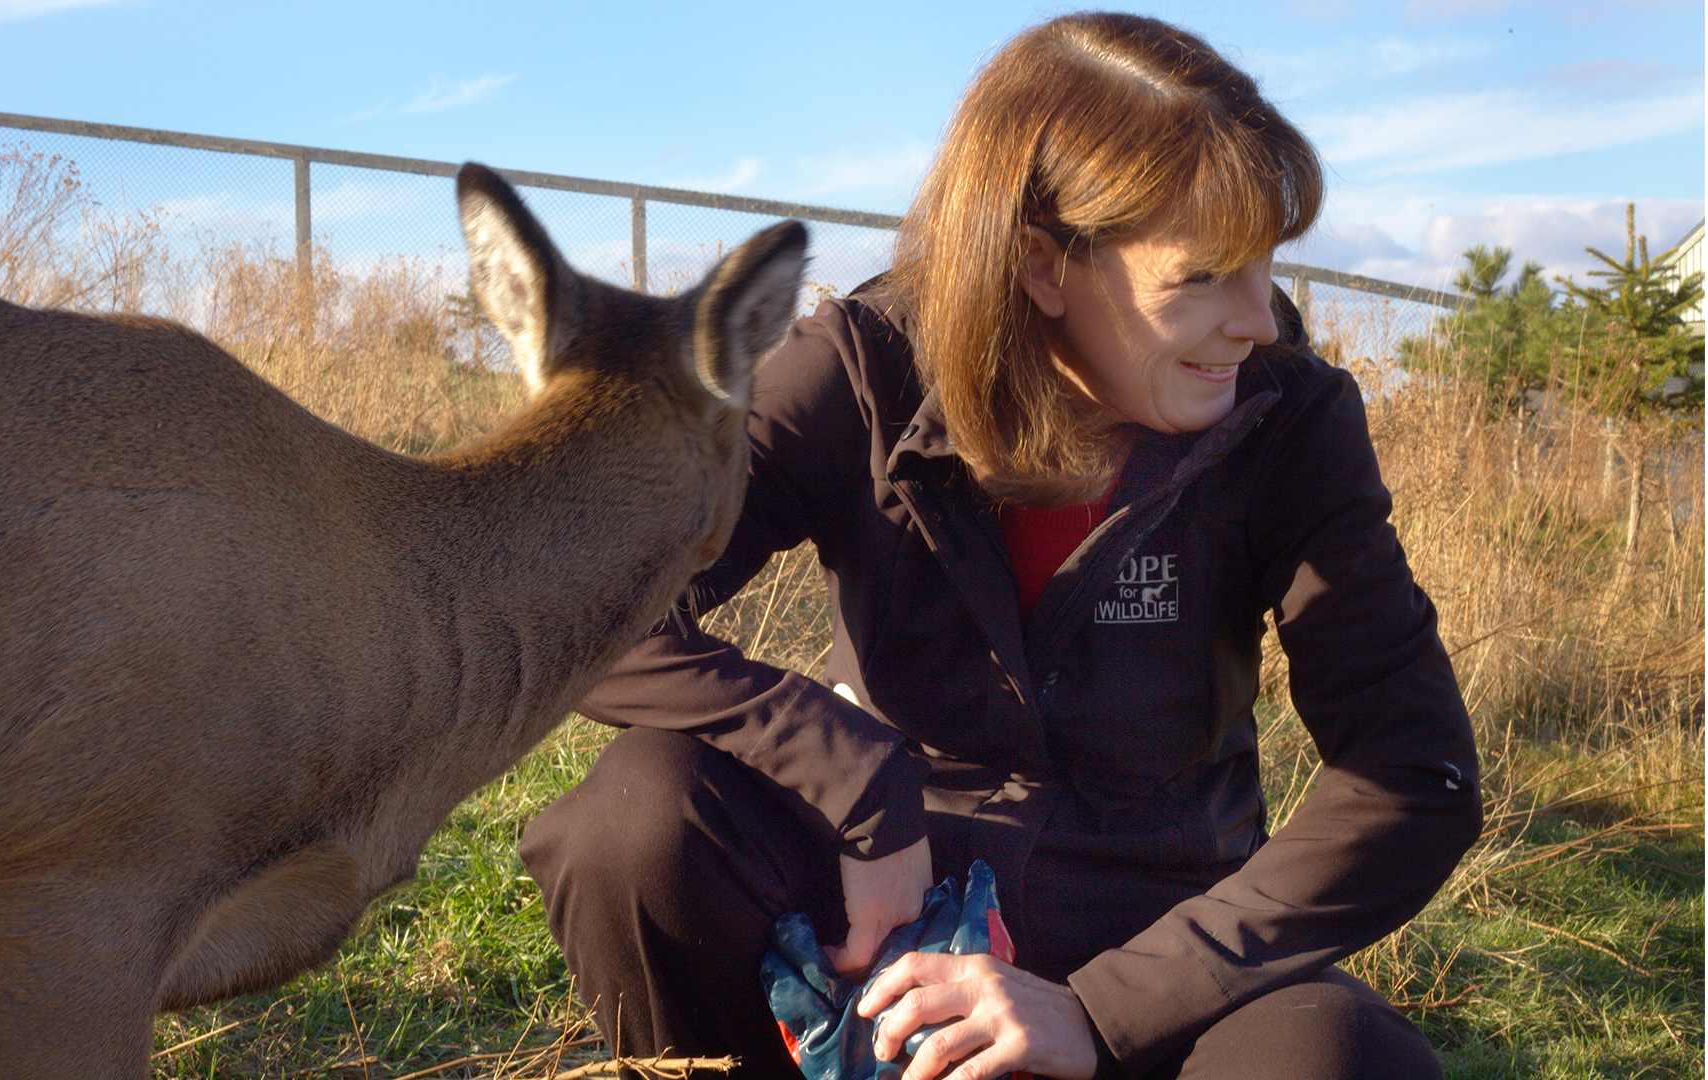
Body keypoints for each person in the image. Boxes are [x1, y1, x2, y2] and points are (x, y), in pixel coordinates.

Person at [519, 12, 1483, 1080]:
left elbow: (1410, 774)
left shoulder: (1289, 420)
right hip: (882, 902)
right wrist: (855, 778)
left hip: (1157, 931)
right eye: (1204, 276)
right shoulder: (862, 370)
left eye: (1264, 264)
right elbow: (578, 593)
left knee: (1335, 1060)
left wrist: (1102, 1013)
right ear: (1041, 265)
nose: (1261, 319)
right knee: (636, 816)